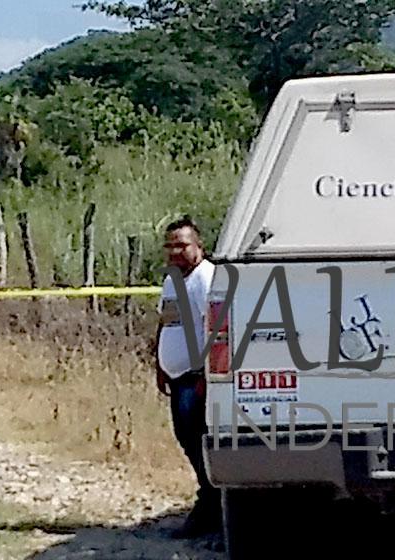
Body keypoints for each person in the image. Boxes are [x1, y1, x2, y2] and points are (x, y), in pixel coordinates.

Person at [155, 216, 220, 537]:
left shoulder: (206, 279)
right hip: (177, 376)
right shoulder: (172, 280)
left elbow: (219, 330)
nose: (175, 251)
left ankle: (210, 503)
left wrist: (207, 375)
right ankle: (209, 499)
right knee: (187, 438)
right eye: (170, 245)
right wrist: (160, 365)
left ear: (198, 246)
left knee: (198, 442)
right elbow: (166, 322)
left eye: (181, 244)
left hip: (197, 378)